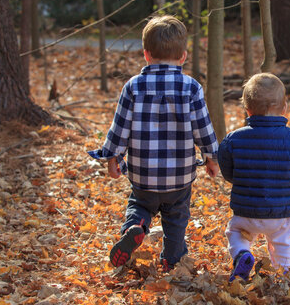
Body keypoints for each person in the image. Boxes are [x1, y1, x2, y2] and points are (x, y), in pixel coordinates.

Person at [88, 15, 219, 270]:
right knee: (176, 217)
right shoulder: (191, 88)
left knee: (139, 204)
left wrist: (112, 158)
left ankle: (136, 226)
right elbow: (203, 129)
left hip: (143, 174)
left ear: (146, 54)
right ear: (183, 56)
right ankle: (172, 258)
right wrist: (211, 157)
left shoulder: (133, 87)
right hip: (179, 177)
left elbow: (120, 127)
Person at [218, 73, 290, 281]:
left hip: (246, 210)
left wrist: (243, 179)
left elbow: (228, 173)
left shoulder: (233, 140)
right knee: (283, 239)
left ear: (247, 109)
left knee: (235, 232)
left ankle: (242, 254)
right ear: (284, 108)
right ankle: (283, 272)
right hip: (281, 211)